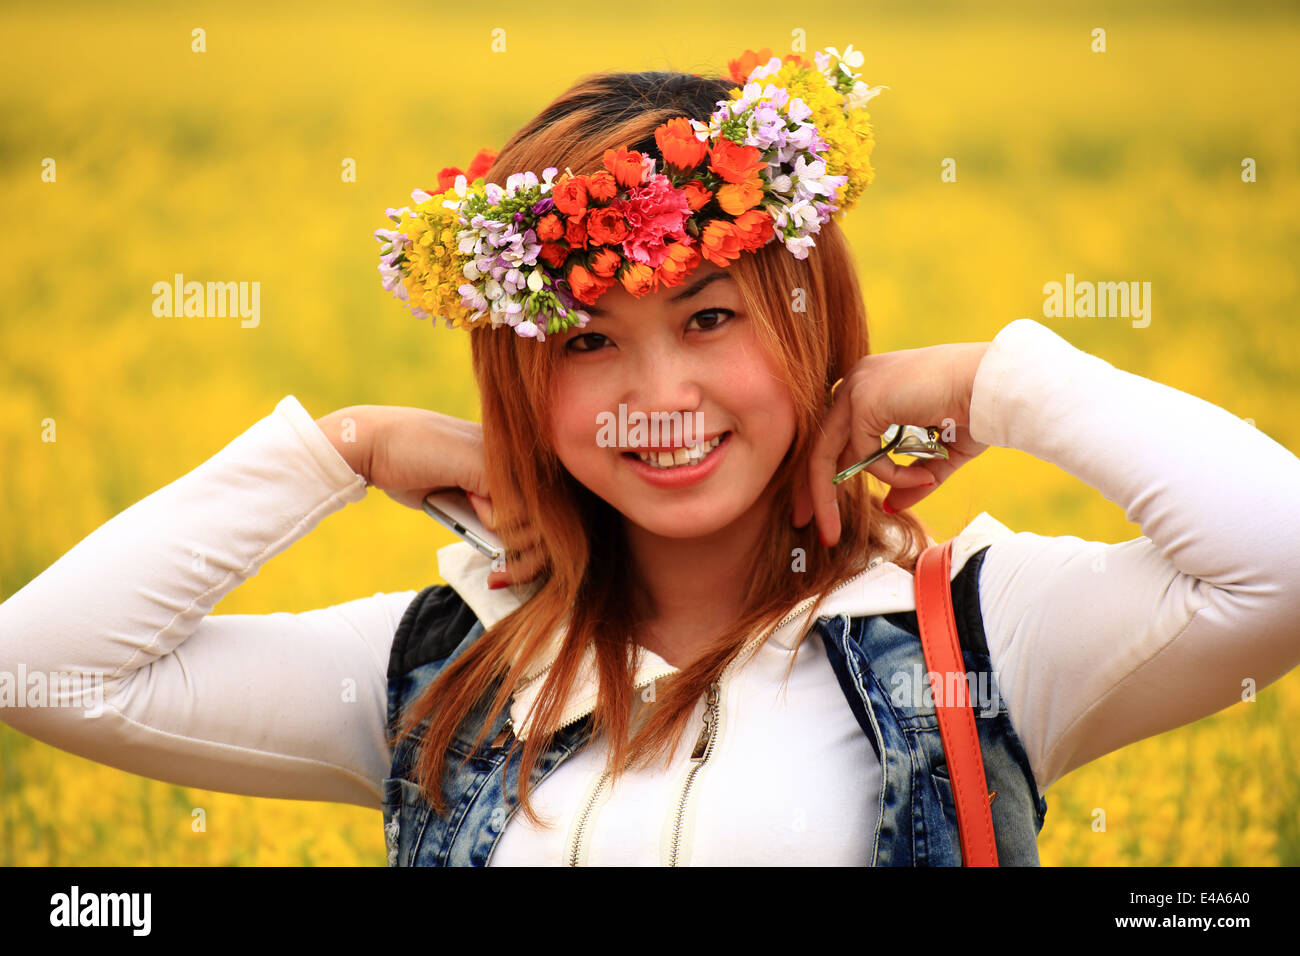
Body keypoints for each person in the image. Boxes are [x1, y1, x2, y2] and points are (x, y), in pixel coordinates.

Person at [2, 46, 1299, 867]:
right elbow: (39, 671)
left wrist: (994, 382)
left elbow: (1279, 565)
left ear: (810, 329)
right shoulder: (443, 669)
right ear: (519, 376)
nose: (654, 396)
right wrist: (343, 450)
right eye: (583, 343)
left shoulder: (972, 640)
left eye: (711, 319)